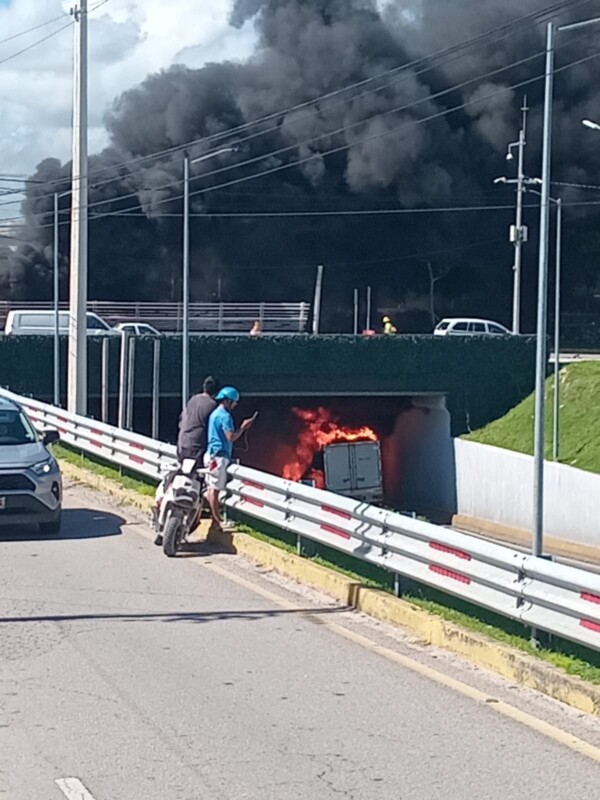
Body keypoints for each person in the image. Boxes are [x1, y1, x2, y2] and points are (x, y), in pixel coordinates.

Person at [153, 375, 218, 545]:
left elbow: (182, 419)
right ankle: (199, 511)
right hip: (197, 449)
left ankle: (159, 502)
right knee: (200, 481)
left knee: (174, 475)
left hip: (182, 446)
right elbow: (213, 429)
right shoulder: (213, 406)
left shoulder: (193, 400)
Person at [204, 386, 255, 528]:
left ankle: (215, 517)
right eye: (234, 402)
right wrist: (243, 428)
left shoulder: (214, 414)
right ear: (227, 401)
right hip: (219, 457)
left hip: (211, 454)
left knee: (211, 488)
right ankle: (218, 521)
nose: (235, 405)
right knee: (214, 490)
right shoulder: (225, 417)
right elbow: (231, 437)